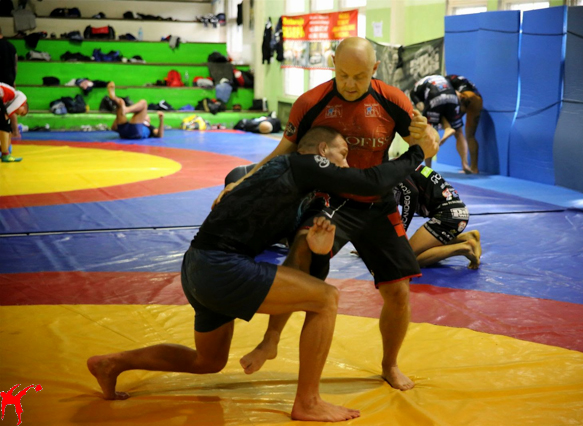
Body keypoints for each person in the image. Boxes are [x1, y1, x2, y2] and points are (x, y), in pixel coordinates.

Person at [87, 126, 431, 422]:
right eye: (342, 155)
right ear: (323, 151)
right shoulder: (301, 164)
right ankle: (308, 402)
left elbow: (299, 266)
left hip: (196, 266)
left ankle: (112, 363)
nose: (346, 165)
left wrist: (319, 247)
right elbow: (370, 182)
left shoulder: (291, 187)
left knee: (208, 360)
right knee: (327, 299)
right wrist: (418, 152)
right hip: (221, 265)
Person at [217, 36, 440, 391]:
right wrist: (242, 182)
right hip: (332, 199)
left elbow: (424, 144)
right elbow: (282, 152)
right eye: (343, 75)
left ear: (375, 69)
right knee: (300, 255)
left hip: (378, 203)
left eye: (360, 77)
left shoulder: (392, 99)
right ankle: (270, 340)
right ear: (333, 64)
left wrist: (428, 136)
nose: (350, 84)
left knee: (399, 291)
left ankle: (390, 364)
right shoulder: (311, 103)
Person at [395, 164, 481, 268]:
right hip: (456, 212)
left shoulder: (391, 171)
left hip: (447, 216)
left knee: (408, 260)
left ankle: (463, 248)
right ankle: (466, 237)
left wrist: (402, 230)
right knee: (414, 253)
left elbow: (412, 194)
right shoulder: (399, 166)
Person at [410, 74, 473, 174]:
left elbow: (421, 106)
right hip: (452, 96)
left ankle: (428, 169)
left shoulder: (414, 91)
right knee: (459, 132)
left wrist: (430, 115)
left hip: (434, 97)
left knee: (428, 135)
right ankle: (465, 165)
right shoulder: (440, 78)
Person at [446, 75, 482, 174]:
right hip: (477, 99)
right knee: (470, 136)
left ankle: (465, 164)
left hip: (465, 97)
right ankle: (474, 168)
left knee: (458, 133)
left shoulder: (443, 82)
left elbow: (455, 94)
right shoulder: (456, 79)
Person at [0, 26, 20, 138]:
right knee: (9, 106)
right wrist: (13, 79)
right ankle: (15, 131)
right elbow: (15, 64)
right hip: (9, 79)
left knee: (3, 107)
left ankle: (6, 131)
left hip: (1, 80)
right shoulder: (11, 46)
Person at [1, 82, 28, 163]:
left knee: (4, 122)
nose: (18, 114)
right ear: (23, 105)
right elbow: (8, 112)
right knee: (5, 124)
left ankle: (4, 150)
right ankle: (5, 154)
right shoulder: (22, 98)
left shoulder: (10, 99)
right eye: (22, 113)